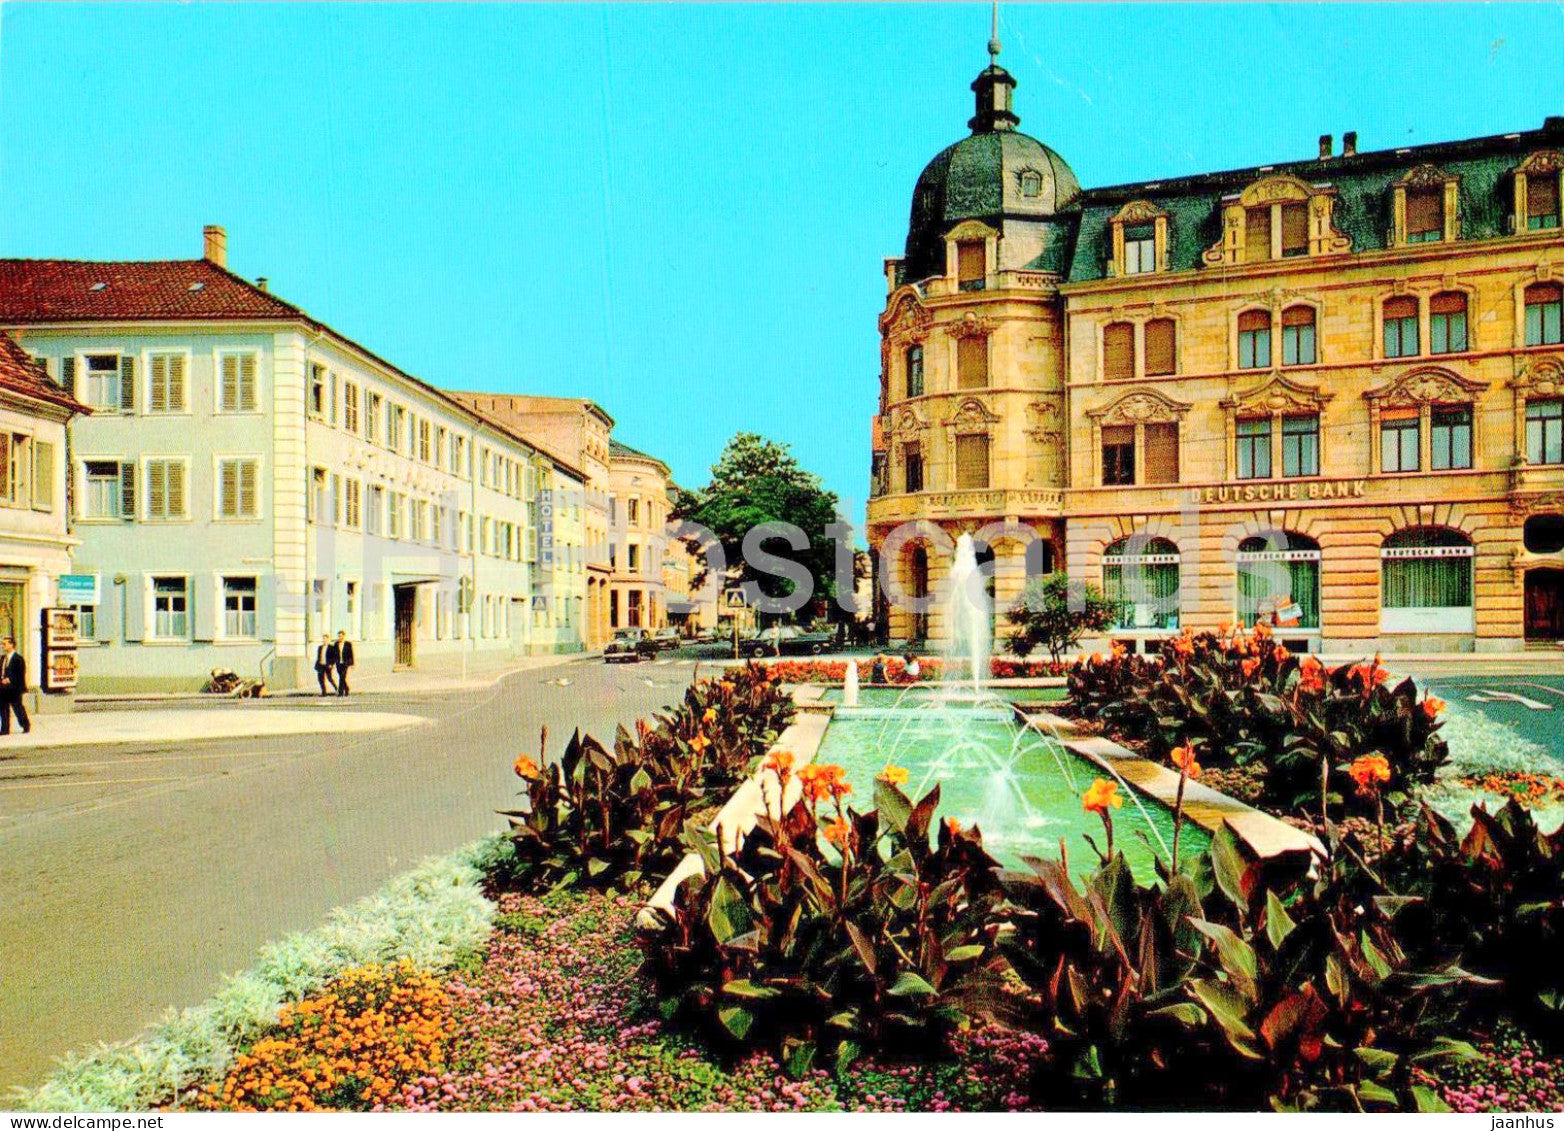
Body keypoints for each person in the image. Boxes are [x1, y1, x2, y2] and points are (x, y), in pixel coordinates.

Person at [0, 636, 30, 735]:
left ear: (11, 644)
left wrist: (10, 679)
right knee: (3, 708)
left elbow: (20, 673)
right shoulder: (3, 658)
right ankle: (5, 729)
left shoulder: (18, 659)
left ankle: (25, 725)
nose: (3, 646)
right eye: (2, 644)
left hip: (14, 688)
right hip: (3, 689)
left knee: (17, 708)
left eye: (5, 644)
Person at [334, 631, 355, 696]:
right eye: (339, 636)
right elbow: (334, 653)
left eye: (341, 636)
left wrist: (352, 664)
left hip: (345, 663)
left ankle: (340, 692)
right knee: (341, 677)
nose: (340, 637)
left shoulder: (348, 644)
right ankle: (347, 688)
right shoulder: (336, 644)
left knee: (342, 676)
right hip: (338, 663)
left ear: (344, 636)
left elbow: (351, 654)